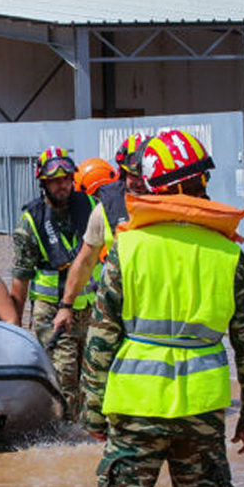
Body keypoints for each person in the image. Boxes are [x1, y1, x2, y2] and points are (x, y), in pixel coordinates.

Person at [81, 129, 244, 487]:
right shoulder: (229, 255)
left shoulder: (128, 250)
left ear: (153, 188)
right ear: (197, 183)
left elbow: (101, 338)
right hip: (201, 411)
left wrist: (92, 410)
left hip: (134, 406)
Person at [10, 146, 97, 418]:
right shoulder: (30, 222)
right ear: (43, 183)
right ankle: (65, 431)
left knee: (94, 376)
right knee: (64, 375)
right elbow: (20, 277)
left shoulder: (91, 207)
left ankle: (90, 429)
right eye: (55, 181)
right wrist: (15, 325)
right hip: (51, 312)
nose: (62, 186)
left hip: (90, 308)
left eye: (67, 179)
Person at [52, 139, 148, 342]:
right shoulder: (105, 209)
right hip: (117, 311)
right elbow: (86, 260)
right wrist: (66, 305)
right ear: (122, 173)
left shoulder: (173, 207)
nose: (139, 182)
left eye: (144, 175)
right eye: (133, 175)